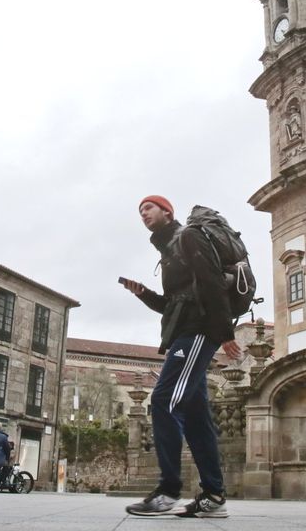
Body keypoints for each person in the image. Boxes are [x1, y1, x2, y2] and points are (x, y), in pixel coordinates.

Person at [121, 195, 243, 519]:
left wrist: (225, 334)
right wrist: (144, 294)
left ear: (167, 211)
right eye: (140, 211)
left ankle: (168, 490)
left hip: (198, 330)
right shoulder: (168, 251)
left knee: (164, 400)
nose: (143, 213)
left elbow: (212, 281)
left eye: (149, 207)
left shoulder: (187, 236)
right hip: (184, 331)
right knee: (195, 416)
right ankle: (214, 496)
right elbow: (172, 303)